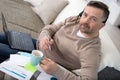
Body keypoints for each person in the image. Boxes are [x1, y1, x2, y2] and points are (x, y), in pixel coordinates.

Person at [37, 1, 110, 80]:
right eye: (85, 15)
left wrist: (56, 71)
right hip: (35, 49)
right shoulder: (74, 20)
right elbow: (49, 29)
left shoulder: (91, 50)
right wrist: (44, 38)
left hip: (45, 70)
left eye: (93, 19)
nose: (85, 21)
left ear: (101, 26)